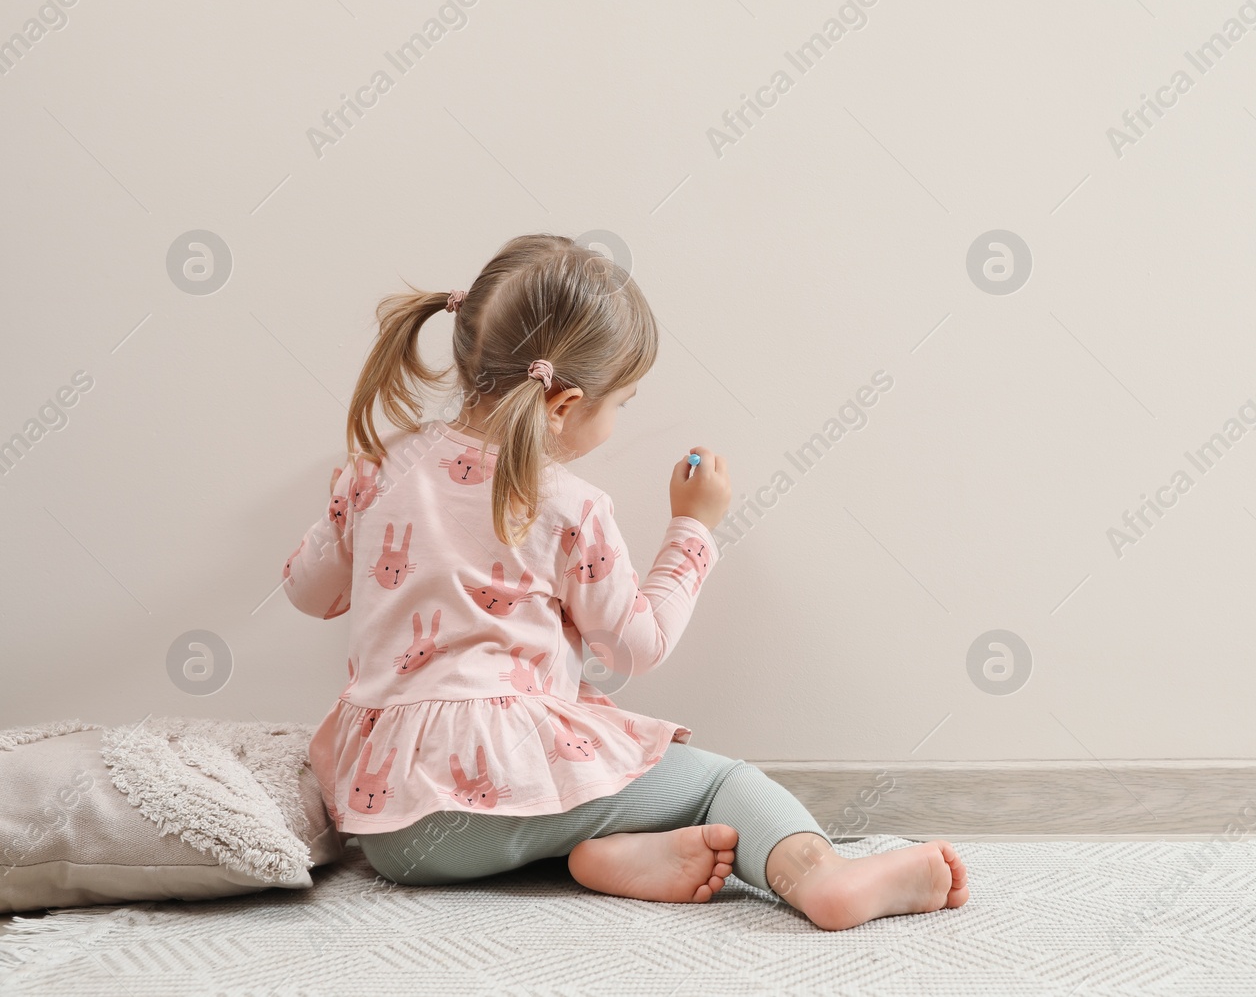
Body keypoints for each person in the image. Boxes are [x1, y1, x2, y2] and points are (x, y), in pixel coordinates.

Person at [282, 234, 968, 929]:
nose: (619, 419)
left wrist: (351, 516)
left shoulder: (373, 471)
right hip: (496, 783)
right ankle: (823, 878)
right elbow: (636, 647)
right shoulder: (565, 505)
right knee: (723, 784)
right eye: (623, 403)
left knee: (558, 797)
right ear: (564, 404)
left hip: (390, 827)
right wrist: (692, 528)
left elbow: (308, 592)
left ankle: (599, 852)